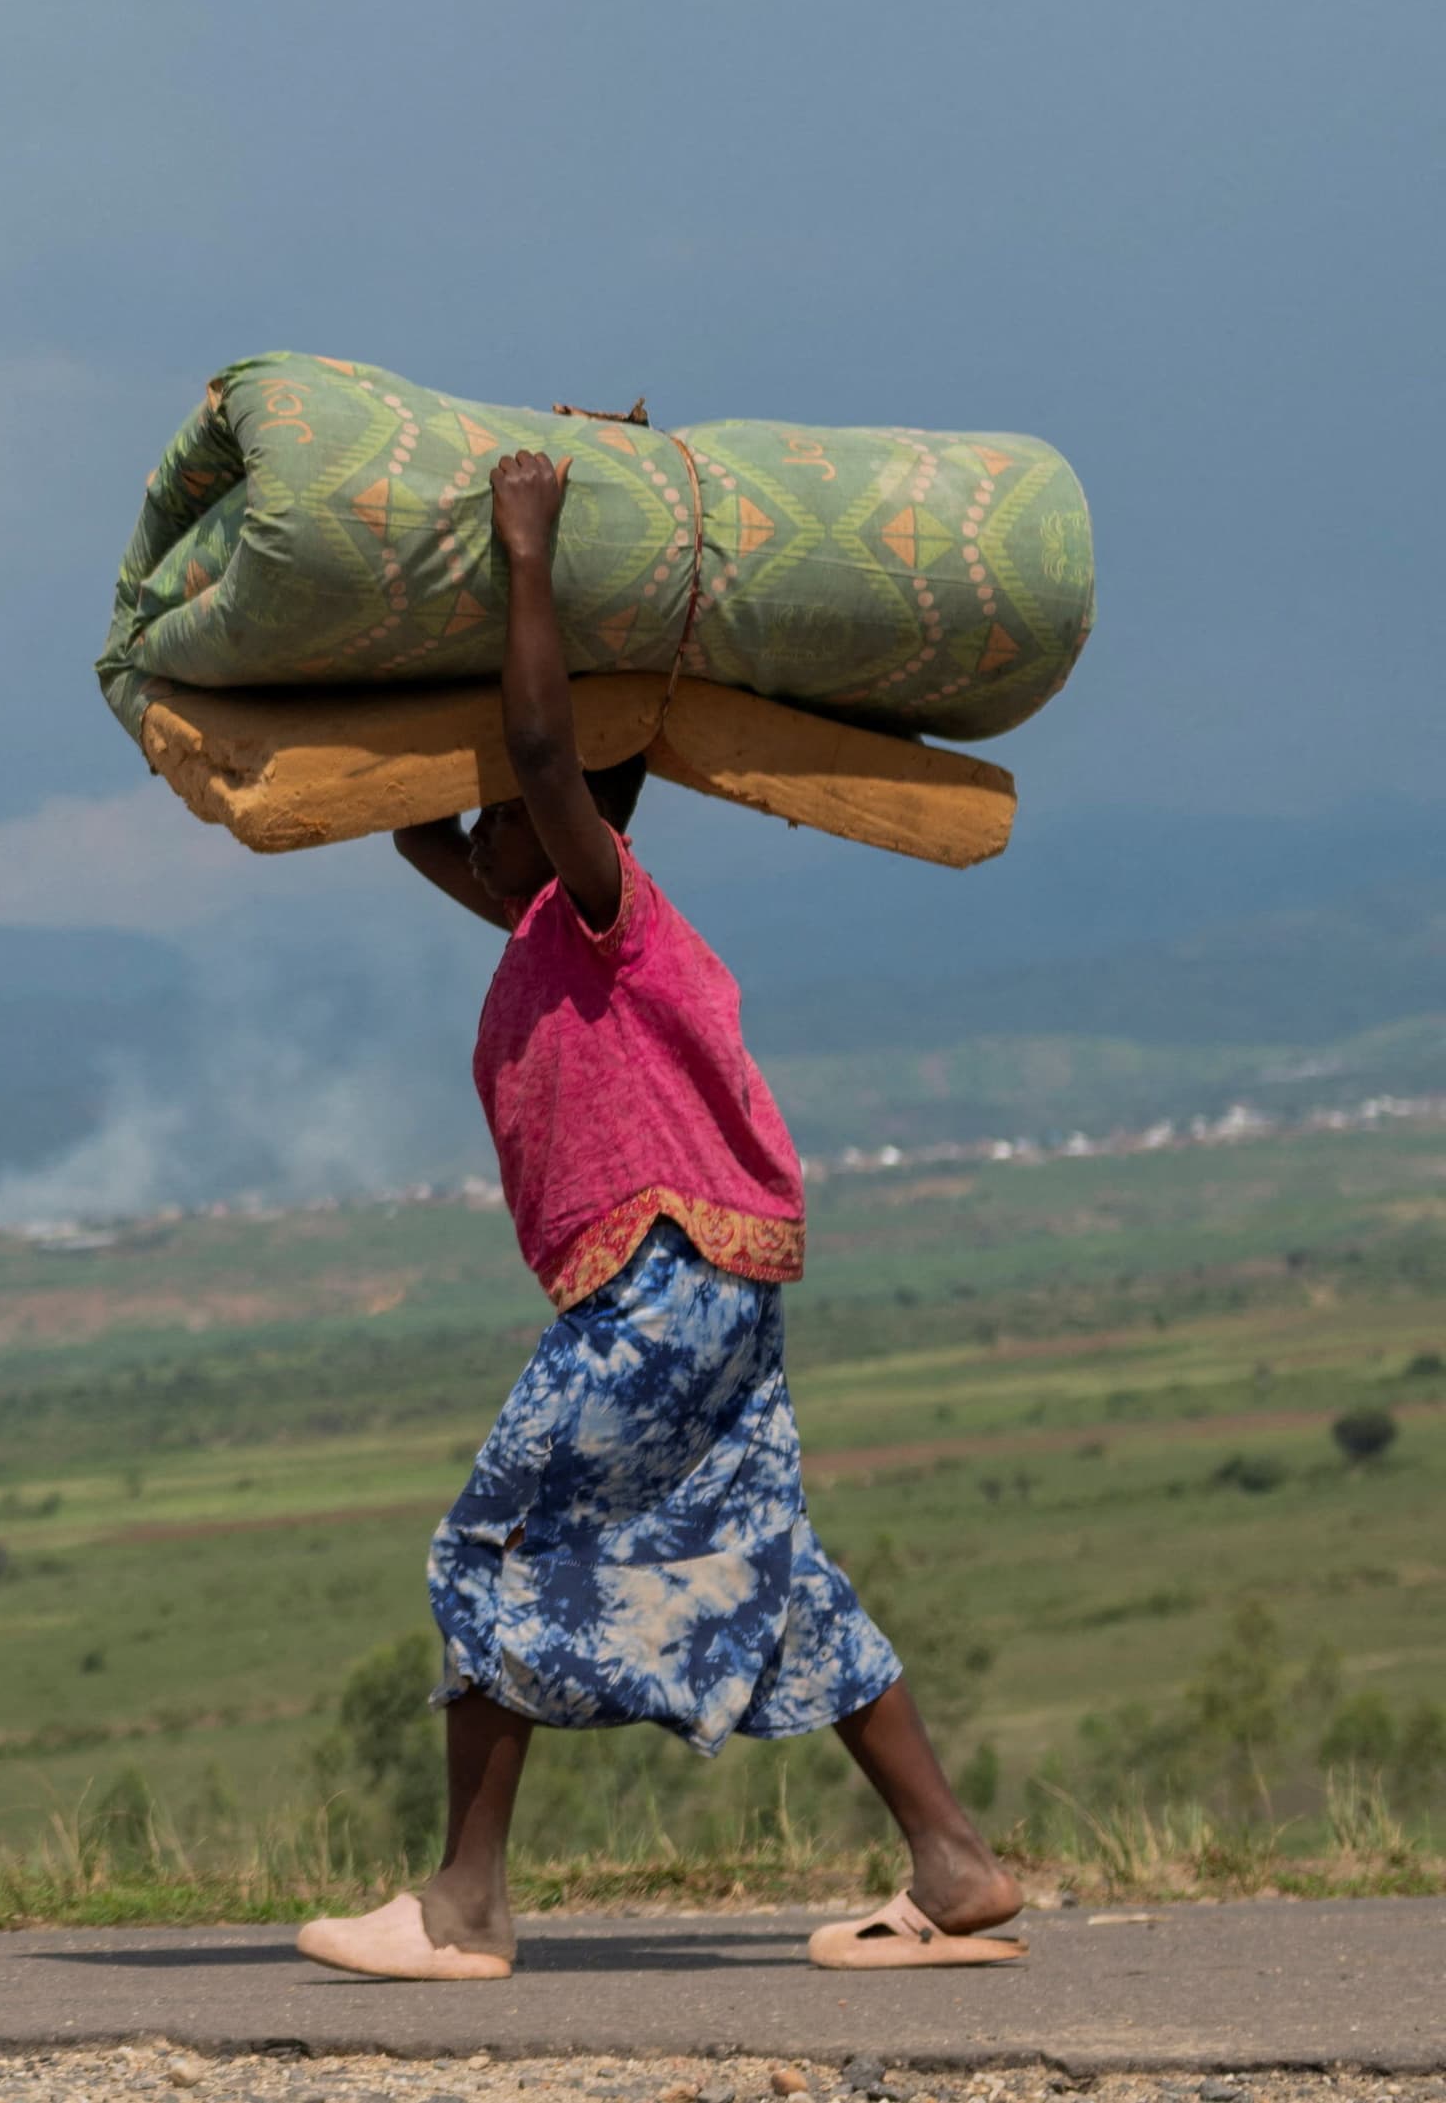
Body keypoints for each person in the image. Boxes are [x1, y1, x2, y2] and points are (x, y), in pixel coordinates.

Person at [292, 449, 1026, 1981]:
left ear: (562, 815)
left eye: (510, 808)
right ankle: (955, 1865)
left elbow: (545, 759)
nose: (482, 834)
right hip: (711, 1291)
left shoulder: (611, 908)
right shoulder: (548, 919)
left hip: (668, 1284)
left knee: (490, 1541)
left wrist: (528, 556)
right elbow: (426, 831)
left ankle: (464, 1907)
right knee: (764, 1556)